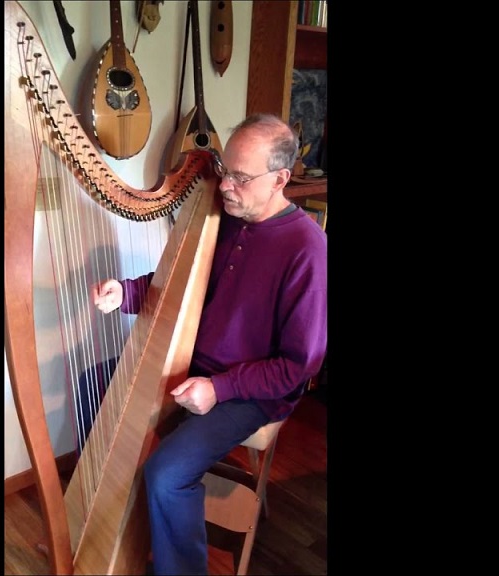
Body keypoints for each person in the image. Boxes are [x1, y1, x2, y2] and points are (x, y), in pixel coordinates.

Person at [89, 113, 327, 575]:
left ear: (280, 179)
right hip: (191, 364)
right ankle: (110, 519)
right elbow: (178, 284)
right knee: (92, 385)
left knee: (167, 474)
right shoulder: (227, 220)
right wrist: (127, 292)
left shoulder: (307, 248)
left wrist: (220, 388)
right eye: (224, 170)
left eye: (241, 177)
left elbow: (298, 366)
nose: (225, 186)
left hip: (252, 391)